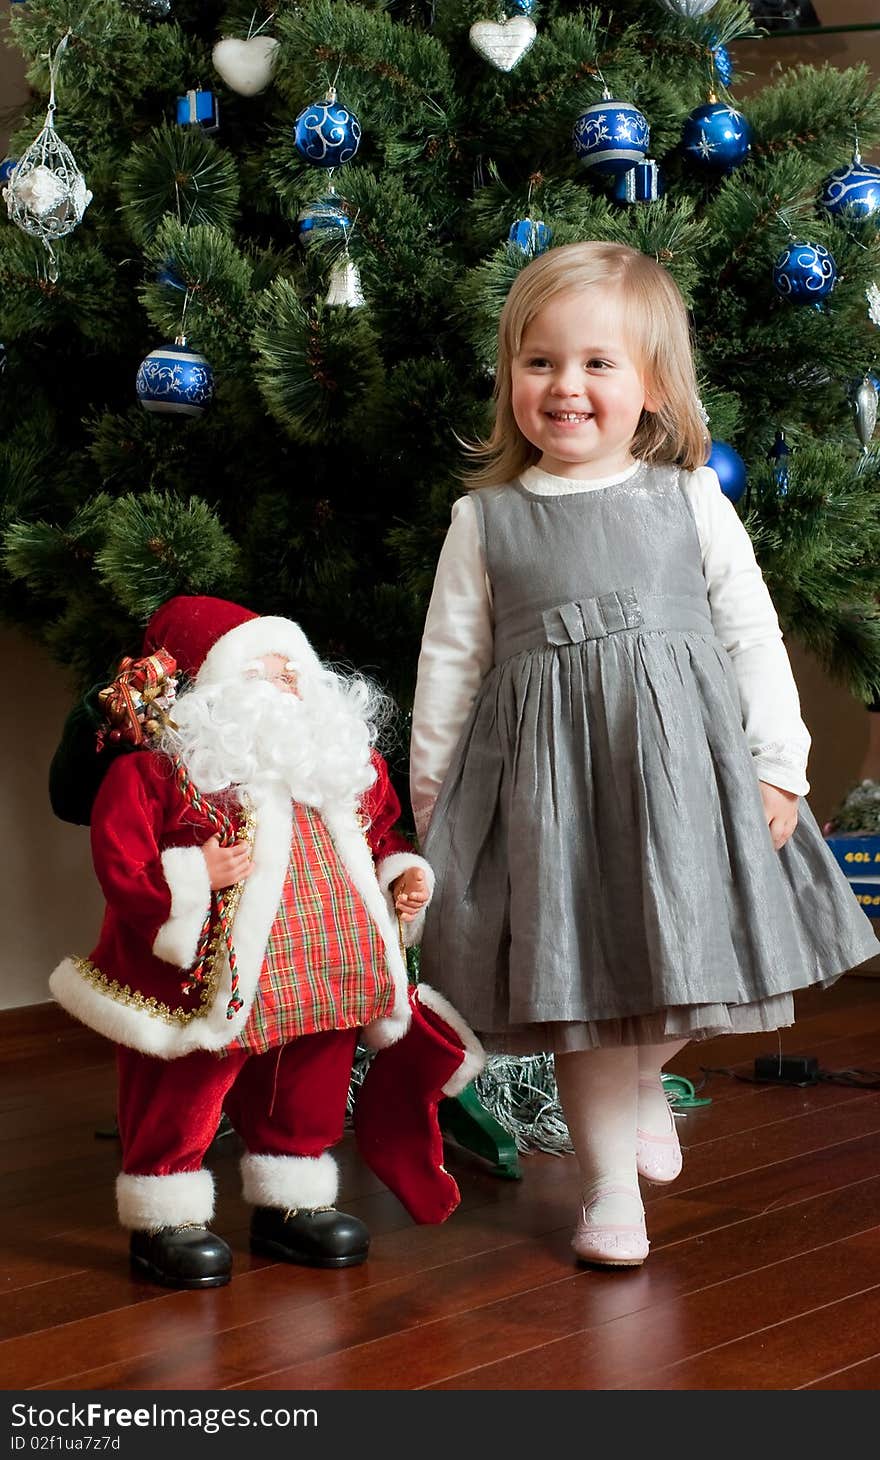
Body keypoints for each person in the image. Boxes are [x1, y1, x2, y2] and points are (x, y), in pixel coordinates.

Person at [409, 241, 880, 1269]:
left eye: (596, 364)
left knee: (701, 944)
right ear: (510, 380)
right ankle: (606, 1184)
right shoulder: (484, 521)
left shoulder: (689, 500)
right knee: (581, 980)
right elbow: (449, 668)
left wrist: (778, 762)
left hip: (684, 772)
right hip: (549, 789)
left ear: (653, 386)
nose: (565, 386)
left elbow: (751, 635)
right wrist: (435, 805)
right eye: (539, 363)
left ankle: (631, 1086)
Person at [50, 594, 484, 1289]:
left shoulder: (339, 767)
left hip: (324, 969)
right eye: (265, 667)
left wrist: (399, 874)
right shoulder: (163, 772)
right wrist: (192, 875)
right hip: (205, 976)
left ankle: (292, 1202)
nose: (288, 680)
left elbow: (380, 835)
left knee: (307, 1080)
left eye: (294, 666)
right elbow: (121, 859)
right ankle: (166, 1211)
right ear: (214, 690)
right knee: (183, 1084)